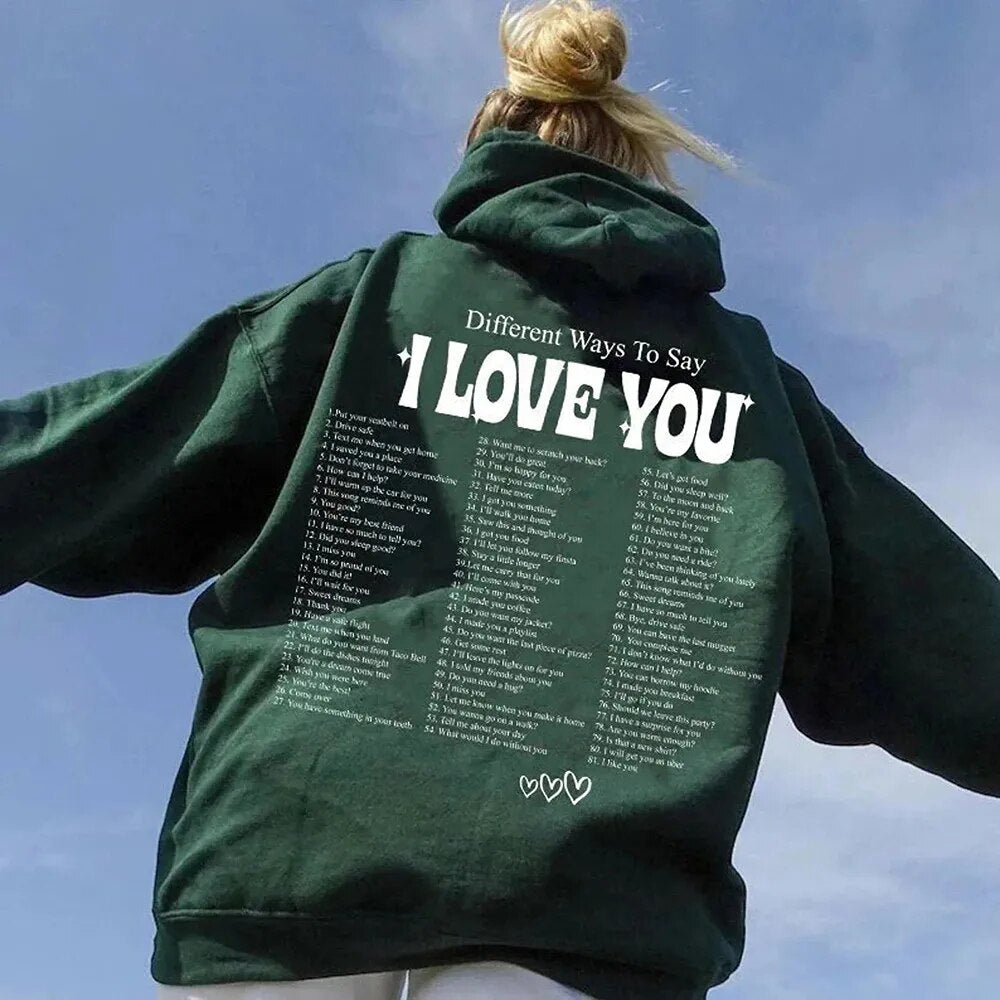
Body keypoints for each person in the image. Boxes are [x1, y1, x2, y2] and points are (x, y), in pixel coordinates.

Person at [2, 1, 997, 998]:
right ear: (640, 165)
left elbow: (96, 448)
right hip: (587, 923)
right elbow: (945, 637)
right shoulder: (757, 394)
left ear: (489, 149)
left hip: (279, 876)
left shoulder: (372, 301)